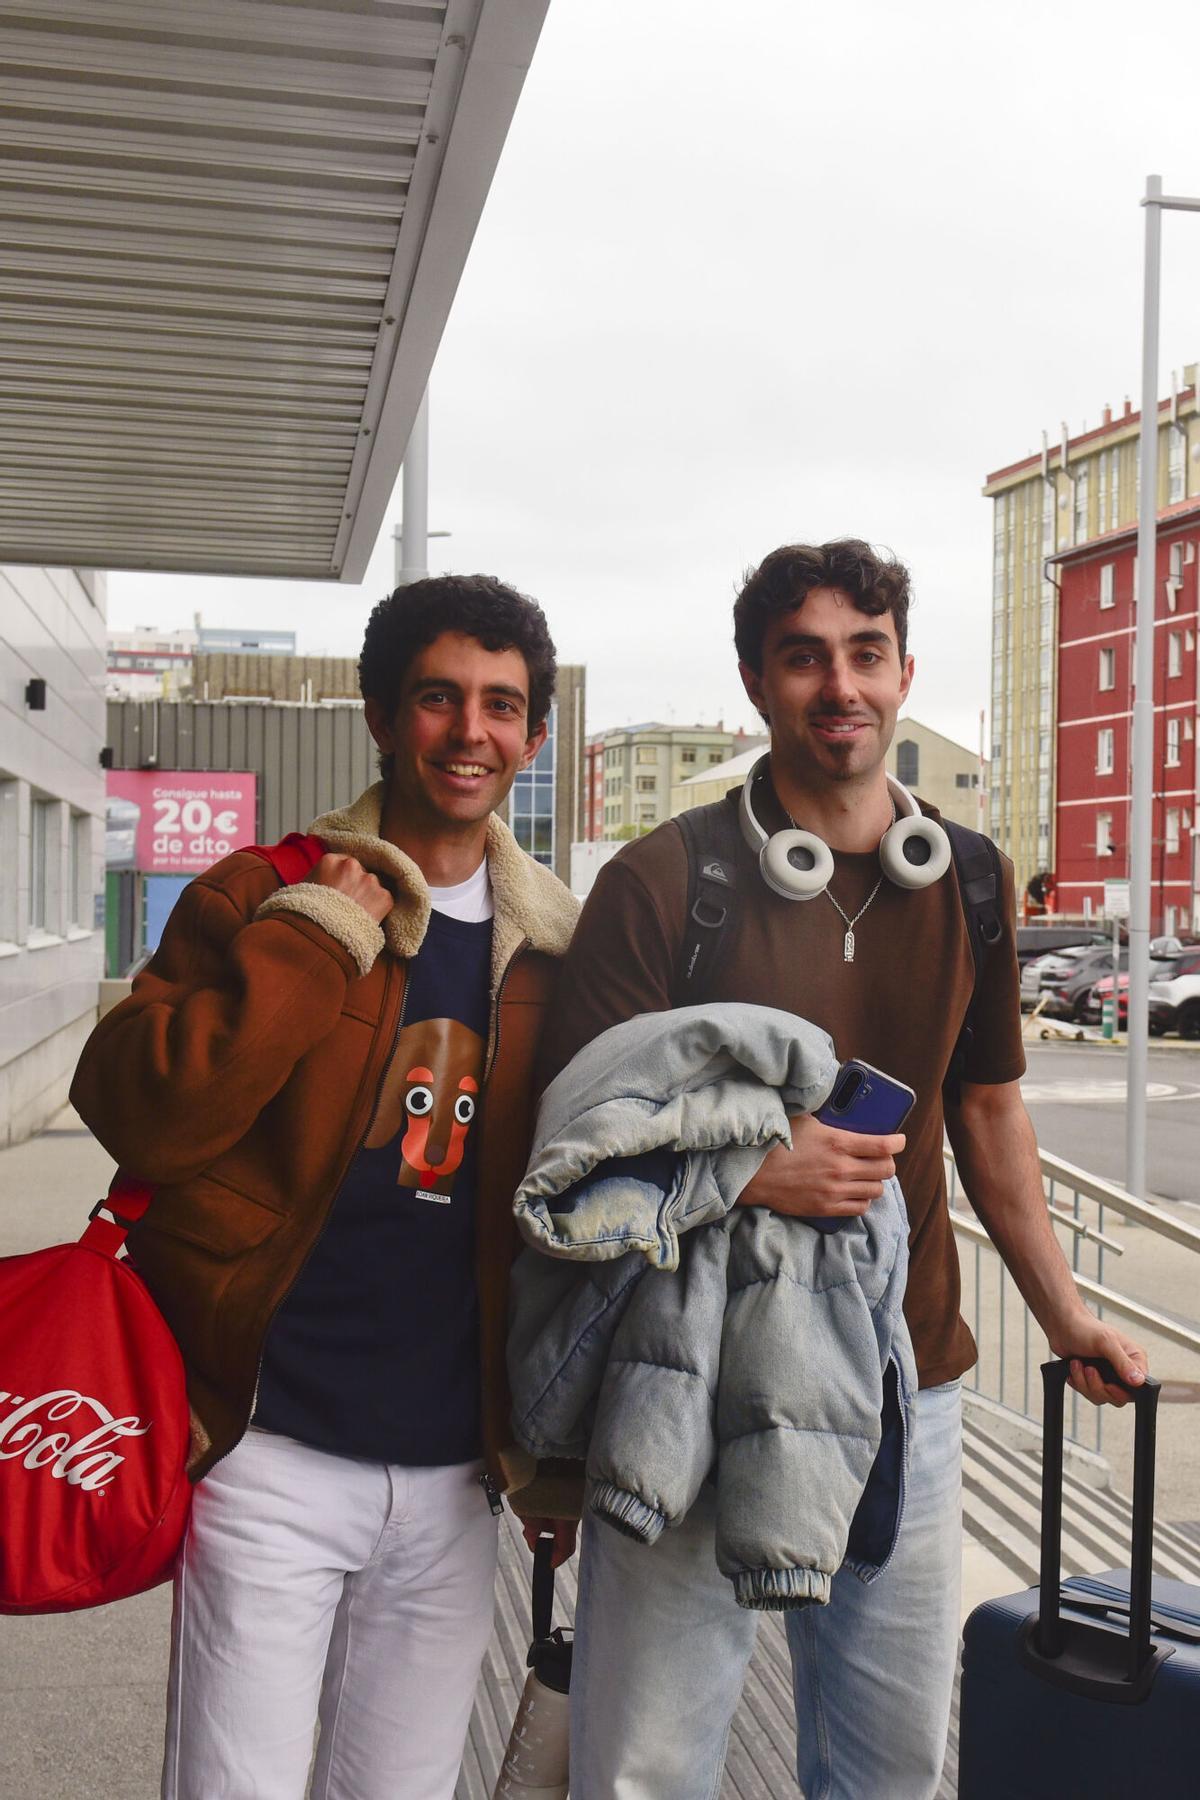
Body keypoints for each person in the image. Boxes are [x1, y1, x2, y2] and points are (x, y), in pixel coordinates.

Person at [537, 539, 1148, 1800]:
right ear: (758, 683)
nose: (840, 686)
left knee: (890, 1767)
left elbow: (985, 1113)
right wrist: (761, 1166)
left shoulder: (969, 877)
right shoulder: (665, 881)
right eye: (804, 658)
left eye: (866, 655)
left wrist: (1065, 1312)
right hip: (693, 1378)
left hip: (904, 1382)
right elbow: (575, 1148)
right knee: (645, 1767)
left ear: (906, 671)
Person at [71, 574, 579, 1800]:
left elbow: (571, 1218)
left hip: (458, 1471)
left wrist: (555, 1452)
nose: (471, 733)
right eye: (438, 698)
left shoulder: (560, 950)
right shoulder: (267, 888)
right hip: (267, 1447)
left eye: (502, 706)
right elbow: (136, 1108)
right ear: (378, 715)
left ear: (535, 734)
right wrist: (309, 944)